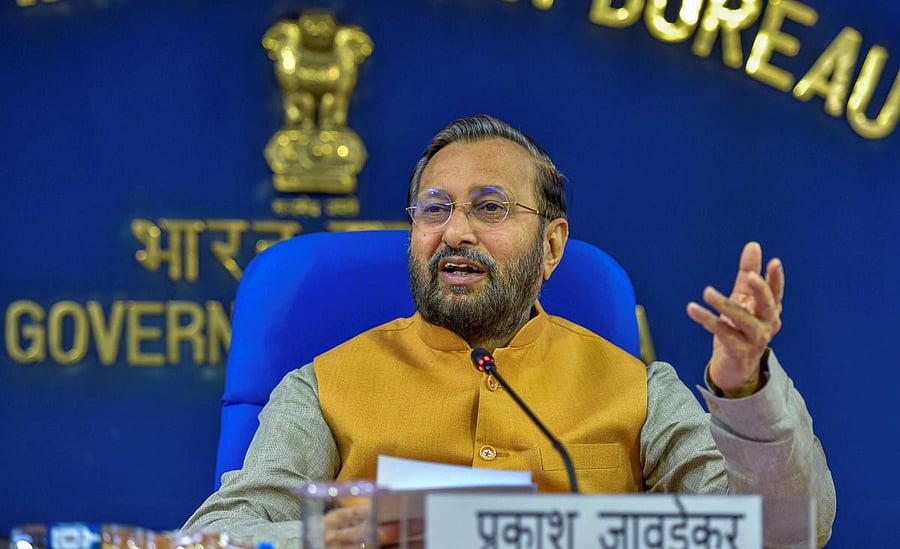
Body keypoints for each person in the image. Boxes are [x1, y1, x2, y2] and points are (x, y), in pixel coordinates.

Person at [183, 114, 835, 547]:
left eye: (489, 207)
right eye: (434, 209)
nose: (456, 231)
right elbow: (218, 534)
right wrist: (345, 533)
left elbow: (779, 533)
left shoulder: (639, 390)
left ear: (551, 247)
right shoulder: (321, 386)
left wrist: (745, 389)